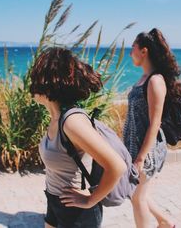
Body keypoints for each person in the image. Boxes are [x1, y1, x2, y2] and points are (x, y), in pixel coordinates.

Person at [30, 47, 127, 228]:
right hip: (54, 202)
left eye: (36, 76)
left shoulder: (72, 122)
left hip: (78, 214)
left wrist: (90, 200)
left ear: (49, 80)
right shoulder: (55, 119)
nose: (32, 84)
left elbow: (117, 166)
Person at [124, 28, 181, 228]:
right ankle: (165, 222)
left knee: (136, 197)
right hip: (135, 144)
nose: (130, 53)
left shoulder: (155, 81)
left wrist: (140, 157)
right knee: (137, 193)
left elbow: (154, 123)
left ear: (144, 51)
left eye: (133, 48)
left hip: (147, 149)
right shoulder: (143, 78)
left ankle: (164, 222)